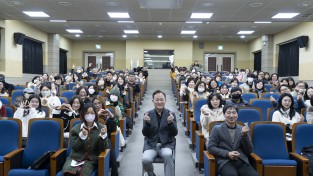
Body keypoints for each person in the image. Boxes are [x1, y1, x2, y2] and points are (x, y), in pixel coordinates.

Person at [208, 105, 258, 176]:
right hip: (225, 161)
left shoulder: (242, 129)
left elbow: (249, 150)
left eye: (234, 113)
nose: (231, 115)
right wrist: (227, 154)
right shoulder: (217, 129)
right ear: (224, 115)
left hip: (241, 160)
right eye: (228, 113)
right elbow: (210, 148)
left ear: (237, 115)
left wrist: (244, 136)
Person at [62, 104, 110, 176]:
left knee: (82, 173)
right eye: (87, 113)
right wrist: (82, 137)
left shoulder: (101, 128)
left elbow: (102, 149)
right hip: (75, 158)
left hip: (91, 160)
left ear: (95, 114)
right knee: (68, 172)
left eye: (92, 113)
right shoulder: (76, 128)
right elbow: (75, 147)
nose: (90, 115)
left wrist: (103, 136)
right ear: (83, 114)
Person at [142, 90, 178, 176]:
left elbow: (175, 133)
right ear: (153, 101)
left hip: (166, 144)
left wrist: (170, 123)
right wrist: (147, 123)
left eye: (161, 99)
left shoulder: (171, 114)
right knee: (146, 160)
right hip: (151, 145)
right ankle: (151, 174)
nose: (159, 102)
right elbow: (145, 133)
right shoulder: (148, 114)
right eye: (157, 100)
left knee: (168, 154)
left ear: (165, 100)